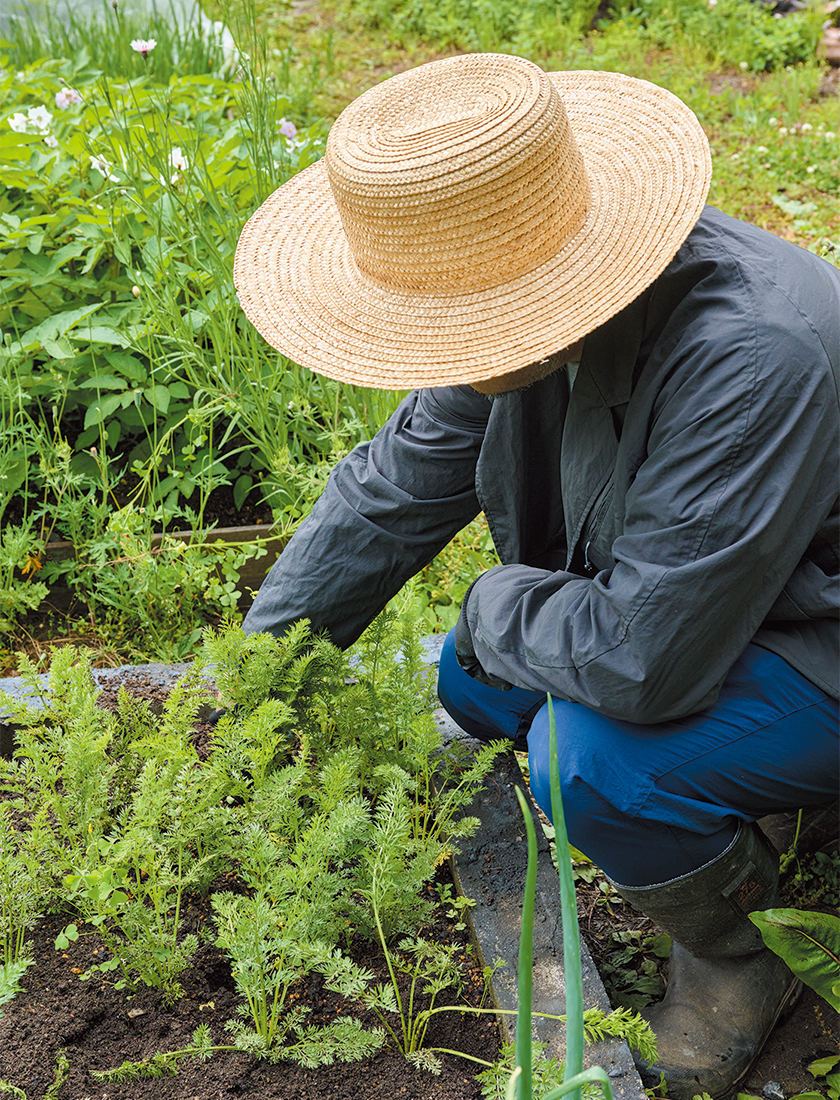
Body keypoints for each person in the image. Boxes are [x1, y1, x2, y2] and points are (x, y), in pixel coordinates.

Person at [232, 52, 840, 1099]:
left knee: (590, 753)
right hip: (706, 608)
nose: (454, 348)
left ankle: (742, 956)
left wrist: (490, 601)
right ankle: (729, 797)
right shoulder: (522, 324)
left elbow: (644, 659)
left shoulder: (752, 351)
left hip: (817, 630)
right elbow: (393, 485)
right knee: (473, 684)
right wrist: (253, 677)